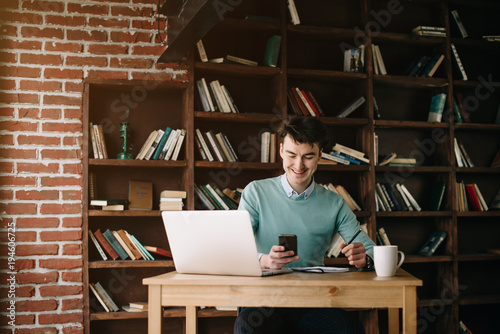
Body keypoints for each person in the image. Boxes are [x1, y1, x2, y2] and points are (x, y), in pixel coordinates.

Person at [234, 117, 376, 334]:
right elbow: (234, 250)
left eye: (308, 157)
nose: (298, 165)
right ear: (281, 151)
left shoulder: (334, 203)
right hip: (263, 299)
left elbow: (373, 252)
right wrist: (264, 260)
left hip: (313, 301)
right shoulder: (255, 193)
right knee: (248, 325)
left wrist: (365, 258)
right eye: (292, 155)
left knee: (348, 328)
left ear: (320, 155)